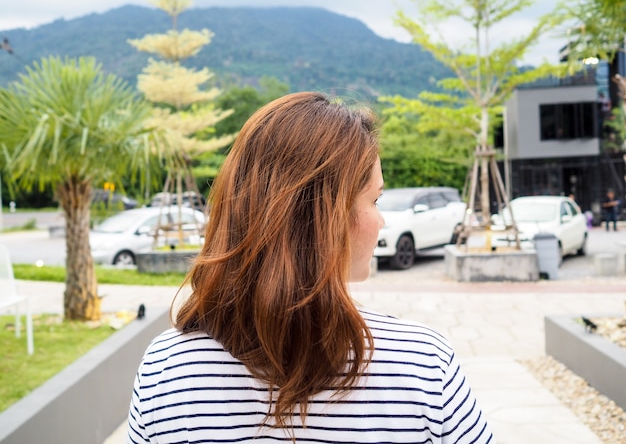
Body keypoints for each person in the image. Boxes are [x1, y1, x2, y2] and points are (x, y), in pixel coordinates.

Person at [127, 92, 495, 443]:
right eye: (375, 199)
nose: (381, 221)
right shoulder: (420, 366)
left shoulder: (166, 369)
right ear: (327, 219)